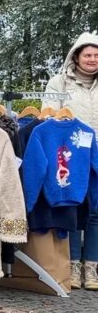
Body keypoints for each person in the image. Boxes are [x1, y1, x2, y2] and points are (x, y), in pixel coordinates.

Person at [43, 31, 98, 290]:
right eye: (87, 54)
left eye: (97, 55)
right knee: (74, 209)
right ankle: (72, 265)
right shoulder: (59, 84)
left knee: (97, 212)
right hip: (70, 154)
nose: (92, 59)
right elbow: (48, 113)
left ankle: (93, 267)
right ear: (76, 57)